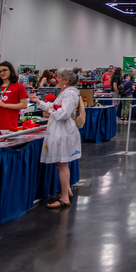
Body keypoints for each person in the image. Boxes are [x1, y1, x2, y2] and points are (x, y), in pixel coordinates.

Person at [28, 68, 82, 209]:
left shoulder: (70, 93)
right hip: (59, 130)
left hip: (63, 132)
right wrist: (39, 102)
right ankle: (67, 191)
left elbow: (63, 114)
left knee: (63, 164)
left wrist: (49, 110)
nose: (56, 79)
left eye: (59, 77)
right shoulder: (65, 93)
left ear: (66, 80)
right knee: (60, 163)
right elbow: (55, 107)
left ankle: (64, 197)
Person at [0, 61, 28, 134]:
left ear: (10, 71)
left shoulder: (19, 87)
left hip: (9, 127)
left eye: (4, 70)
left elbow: (24, 105)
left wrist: (5, 105)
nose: (2, 73)